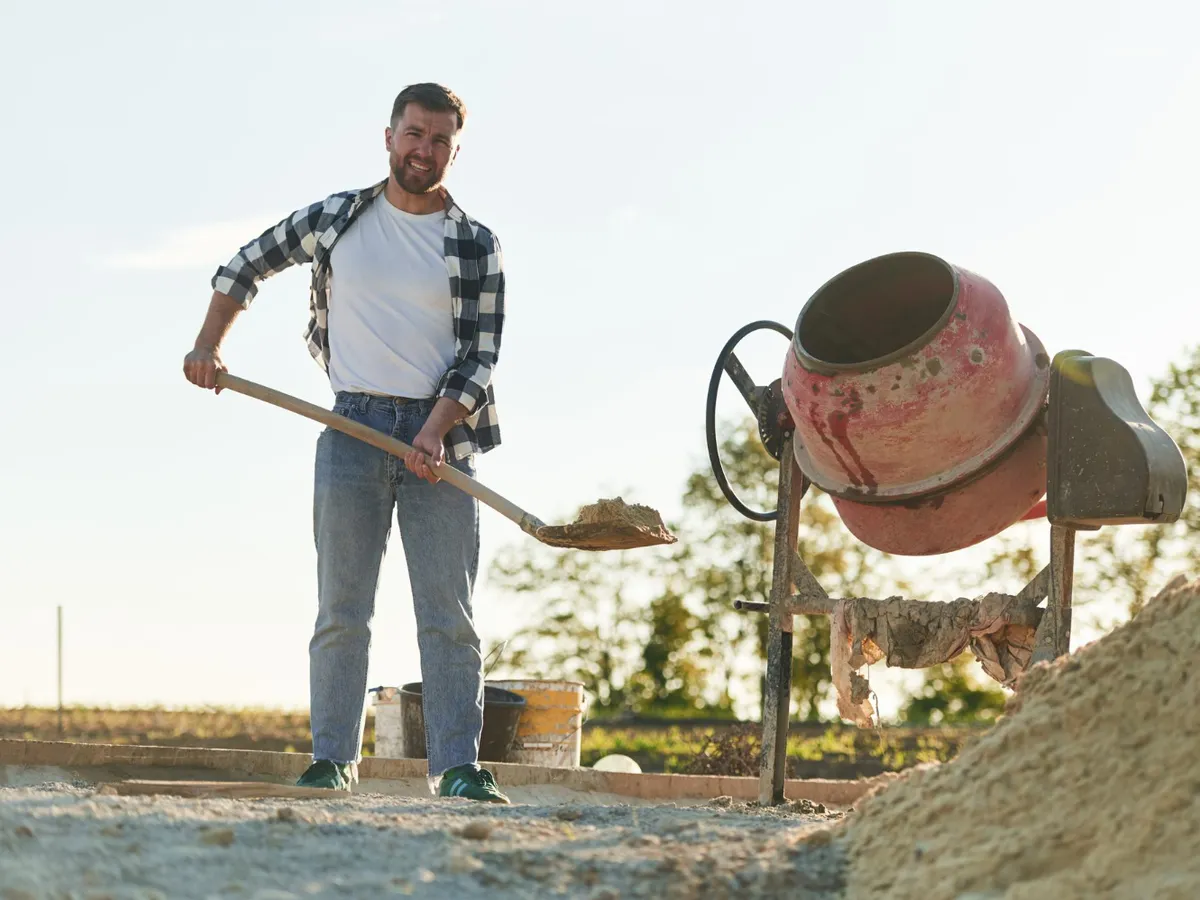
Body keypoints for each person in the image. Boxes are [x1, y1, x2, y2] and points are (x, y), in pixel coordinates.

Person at [182, 83, 509, 803]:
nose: (424, 151)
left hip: (442, 443)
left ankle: (457, 767)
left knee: (449, 617)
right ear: (388, 136)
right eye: (414, 134)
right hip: (351, 430)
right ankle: (332, 759)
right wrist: (208, 347)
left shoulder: (474, 243)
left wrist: (432, 432)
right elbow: (244, 267)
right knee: (342, 609)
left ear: (455, 150)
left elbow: (481, 357)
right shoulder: (337, 219)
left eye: (440, 141)